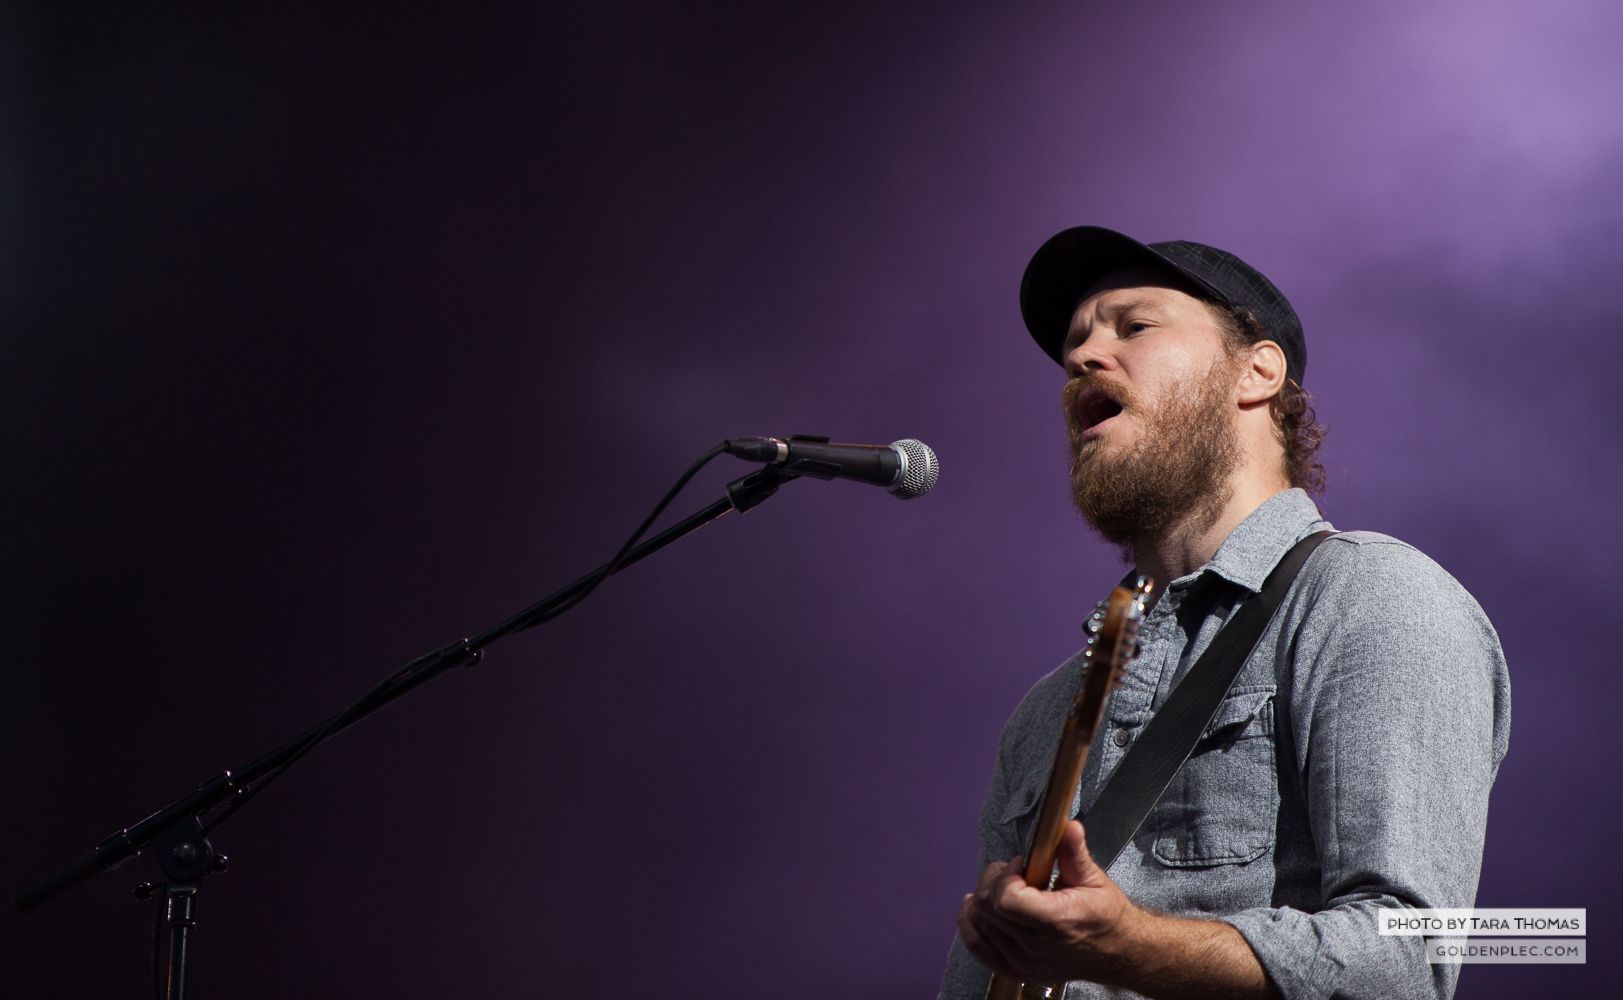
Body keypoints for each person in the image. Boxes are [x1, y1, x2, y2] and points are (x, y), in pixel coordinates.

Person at [939, 227, 1511, 1000]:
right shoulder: (1047, 712)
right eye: (1073, 343)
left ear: (1256, 370)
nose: (1080, 359)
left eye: (1133, 326)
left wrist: (1129, 947)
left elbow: (1408, 960)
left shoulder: (1370, 602)